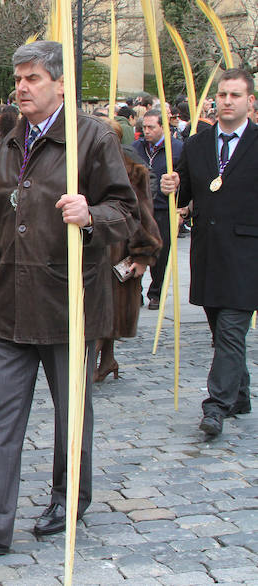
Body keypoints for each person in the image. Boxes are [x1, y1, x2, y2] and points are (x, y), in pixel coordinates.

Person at [0, 41, 137, 554]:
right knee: (0, 417)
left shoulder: (92, 139)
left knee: (71, 415)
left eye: (33, 78)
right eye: (18, 78)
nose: (22, 87)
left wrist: (91, 216)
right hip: (9, 302)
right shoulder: (6, 144)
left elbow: (127, 213)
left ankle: (69, 498)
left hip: (69, 302)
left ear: (61, 84)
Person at [160, 68, 258, 437]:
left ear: (250, 101)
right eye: (222, 95)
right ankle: (240, 394)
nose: (227, 101)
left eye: (235, 95)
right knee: (221, 331)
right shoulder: (198, 144)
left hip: (247, 255)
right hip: (208, 254)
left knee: (231, 330)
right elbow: (185, 194)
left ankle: (216, 406)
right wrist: (172, 185)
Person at [95, 119, 162, 381]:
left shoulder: (133, 171)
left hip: (119, 251)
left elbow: (143, 216)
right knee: (98, 310)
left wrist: (143, 255)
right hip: (92, 250)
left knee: (108, 309)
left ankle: (88, 366)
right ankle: (107, 360)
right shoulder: (82, 167)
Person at [132, 109, 182, 310]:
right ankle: (136, 291)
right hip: (140, 208)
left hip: (163, 208)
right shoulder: (136, 148)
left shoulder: (176, 148)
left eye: (151, 127)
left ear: (163, 126)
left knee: (161, 253)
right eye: (144, 127)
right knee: (136, 250)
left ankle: (156, 292)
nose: (146, 131)